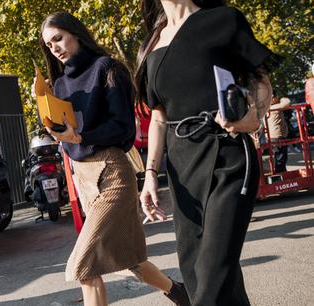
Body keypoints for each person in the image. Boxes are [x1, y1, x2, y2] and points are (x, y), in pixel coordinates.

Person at [36, 12, 190, 306]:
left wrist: (80, 136)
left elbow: (123, 128)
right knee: (127, 258)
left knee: (83, 266)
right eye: (49, 44)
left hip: (112, 174)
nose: (55, 47)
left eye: (58, 38)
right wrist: (59, 132)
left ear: (75, 33)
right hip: (83, 179)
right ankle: (180, 293)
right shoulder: (57, 84)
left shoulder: (106, 68)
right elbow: (68, 132)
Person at [135, 1, 279, 305]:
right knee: (198, 273)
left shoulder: (223, 20)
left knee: (212, 275)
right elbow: (159, 119)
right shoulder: (152, 42)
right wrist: (150, 176)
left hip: (227, 158)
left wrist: (254, 115)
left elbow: (261, 81)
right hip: (182, 169)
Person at [267, 93, 290, 172]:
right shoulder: (273, 107)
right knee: (280, 158)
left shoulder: (267, 108)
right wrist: (282, 98)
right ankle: (280, 175)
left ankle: (282, 173)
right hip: (277, 136)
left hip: (274, 136)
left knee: (280, 157)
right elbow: (287, 102)